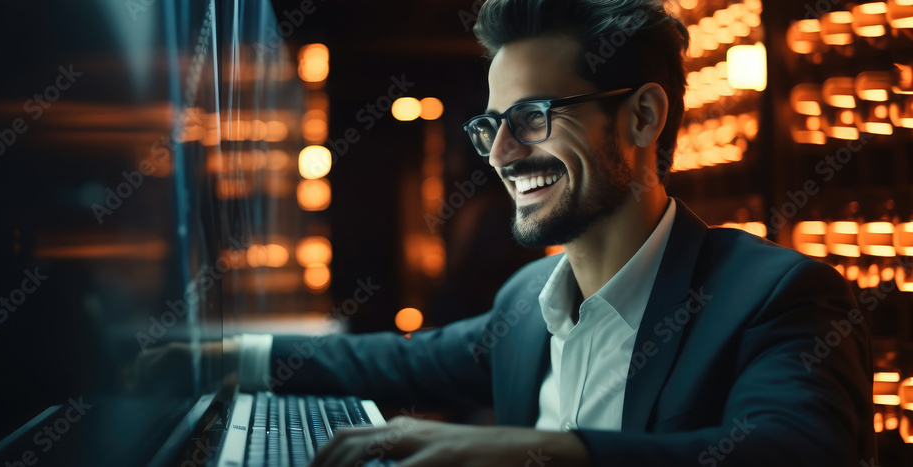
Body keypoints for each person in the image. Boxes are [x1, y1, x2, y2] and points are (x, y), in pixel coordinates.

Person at [140, 0, 876, 465]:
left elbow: (792, 451)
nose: (498, 154)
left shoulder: (781, 295)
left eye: (532, 118)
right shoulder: (527, 299)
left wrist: (522, 452)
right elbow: (400, 365)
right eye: (491, 124)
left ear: (644, 118)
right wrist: (223, 354)